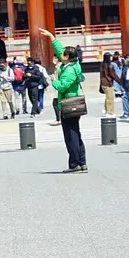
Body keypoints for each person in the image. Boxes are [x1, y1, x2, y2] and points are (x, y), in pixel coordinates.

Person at [40, 29, 87, 173]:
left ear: (66, 57)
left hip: (69, 102)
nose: (60, 55)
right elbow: (61, 50)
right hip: (71, 101)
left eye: (62, 55)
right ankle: (82, 162)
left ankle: (75, 164)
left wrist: (54, 80)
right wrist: (52, 38)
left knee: (71, 134)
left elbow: (63, 86)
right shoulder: (73, 63)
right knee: (75, 132)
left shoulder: (69, 70)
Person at [100, 53, 116, 117]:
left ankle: (107, 110)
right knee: (110, 98)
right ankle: (109, 112)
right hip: (107, 83)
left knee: (107, 98)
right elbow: (109, 75)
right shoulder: (107, 65)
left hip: (103, 83)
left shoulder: (102, 64)